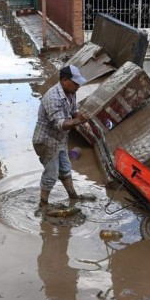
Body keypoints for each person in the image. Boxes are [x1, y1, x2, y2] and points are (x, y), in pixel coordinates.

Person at [32, 65, 90, 207]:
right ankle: (43, 203)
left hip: (60, 139)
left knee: (65, 168)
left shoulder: (71, 92)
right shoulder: (53, 97)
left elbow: (74, 110)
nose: (78, 86)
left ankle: (73, 196)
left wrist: (81, 120)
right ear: (64, 80)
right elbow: (59, 124)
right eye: (76, 83)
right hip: (46, 140)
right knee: (51, 174)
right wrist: (78, 121)